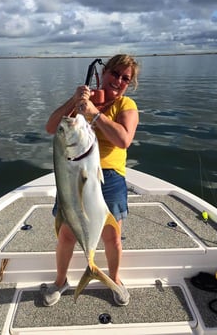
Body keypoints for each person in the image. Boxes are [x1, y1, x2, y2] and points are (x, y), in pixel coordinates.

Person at [42, 54, 139, 307]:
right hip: (74, 175)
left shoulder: (126, 105)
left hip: (111, 179)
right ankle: (60, 281)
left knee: (113, 238)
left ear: (129, 84)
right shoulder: (82, 103)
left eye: (125, 78)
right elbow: (52, 127)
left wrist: (95, 114)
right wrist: (75, 101)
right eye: (114, 73)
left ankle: (114, 279)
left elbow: (124, 140)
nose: (118, 81)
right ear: (103, 73)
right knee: (66, 235)